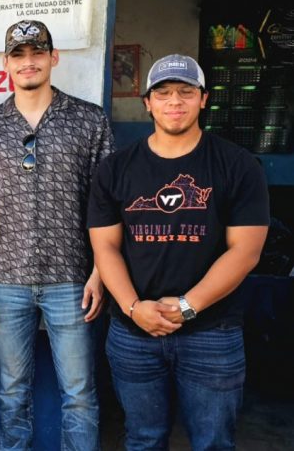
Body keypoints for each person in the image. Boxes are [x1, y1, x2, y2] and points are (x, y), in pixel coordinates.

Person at [88, 54, 269, 450]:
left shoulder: (238, 165)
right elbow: (105, 246)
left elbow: (246, 251)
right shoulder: (116, 169)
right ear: (147, 103)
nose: (175, 102)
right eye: (164, 93)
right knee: (143, 439)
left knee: (213, 442)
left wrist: (188, 305)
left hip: (212, 331)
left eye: (186, 92)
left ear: (204, 99)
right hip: (133, 333)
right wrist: (135, 308)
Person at [0, 20, 112, 450]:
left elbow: (106, 205)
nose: (29, 62)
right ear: (5, 63)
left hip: (73, 279)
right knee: (12, 392)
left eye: (37, 53)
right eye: (19, 55)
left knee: (79, 395)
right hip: (6, 279)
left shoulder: (88, 120)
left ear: (53, 57)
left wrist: (101, 272)